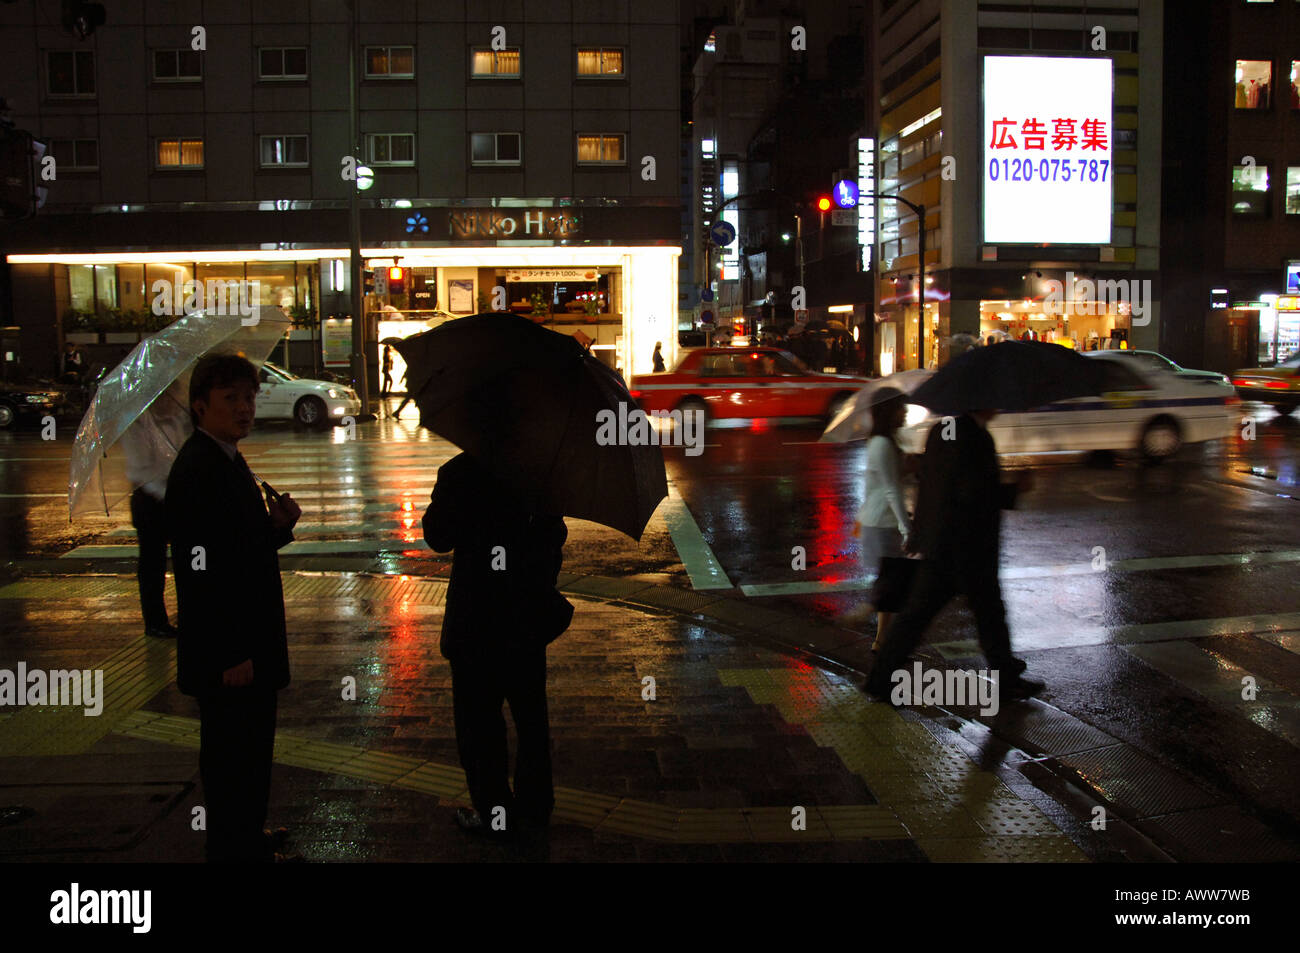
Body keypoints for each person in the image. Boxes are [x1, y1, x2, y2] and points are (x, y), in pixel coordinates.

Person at [166, 354, 302, 862]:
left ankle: (247, 838)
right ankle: (235, 851)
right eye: (231, 399)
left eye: (249, 397)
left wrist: (276, 526)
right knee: (233, 757)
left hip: (245, 643)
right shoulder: (200, 469)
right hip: (231, 652)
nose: (245, 408)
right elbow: (202, 575)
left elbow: (237, 550)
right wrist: (230, 652)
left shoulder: (225, 457)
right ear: (200, 406)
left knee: (248, 753)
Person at [423, 452, 573, 839]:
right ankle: (535, 812)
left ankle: (496, 817)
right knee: (531, 719)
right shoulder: (538, 471)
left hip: (474, 622)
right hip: (523, 620)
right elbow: (554, 537)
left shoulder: (459, 471)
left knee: (479, 727)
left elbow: (436, 536)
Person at [864, 409, 1043, 702]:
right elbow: (973, 492)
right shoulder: (975, 437)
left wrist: (919, 533)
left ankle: (880, 679)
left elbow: (931, 487)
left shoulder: (940, 432)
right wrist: (1013, 489)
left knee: (918, 617)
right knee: (989, 615)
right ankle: (1007, 679)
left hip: (940, 545)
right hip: (968, 548)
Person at [118, 378, 190, 639]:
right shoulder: (138, 424)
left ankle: (190, 614)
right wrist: (169, 492)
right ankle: (155, 622)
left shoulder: (178, 421)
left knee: (189, 560)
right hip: (150, 500)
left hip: (176, 498)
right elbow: (142, 470)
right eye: (169, 392)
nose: (174, 398)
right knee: (153, 563)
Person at [850, 388, 912, 651]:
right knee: (895, 580)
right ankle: (866, 613)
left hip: (878, 519)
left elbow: (887, 482)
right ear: (889, 411)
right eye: (901, 408)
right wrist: (905, 525)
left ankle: (882, 638)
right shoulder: (883, 444)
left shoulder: (884, 442)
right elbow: (890, 489)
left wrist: (909, 465)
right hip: (883, 522)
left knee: (891, 577)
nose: (906, 412)